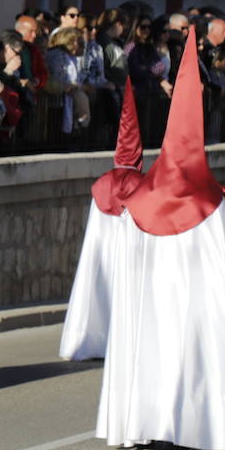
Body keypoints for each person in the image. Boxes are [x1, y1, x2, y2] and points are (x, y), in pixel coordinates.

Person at [97, 26, 225, 450]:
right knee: (189, 347)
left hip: (151, 298)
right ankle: (195, 422)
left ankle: (142, 418)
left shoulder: (141, 199)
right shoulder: (210, 200)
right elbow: (221, 280)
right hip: (189, 301)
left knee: (149, 342)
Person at [60, 79, 144, 361]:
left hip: (102, 245)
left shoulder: (103, 183)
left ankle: (89, 338)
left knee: (96, 283)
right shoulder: (142, 184)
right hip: (129, 246)